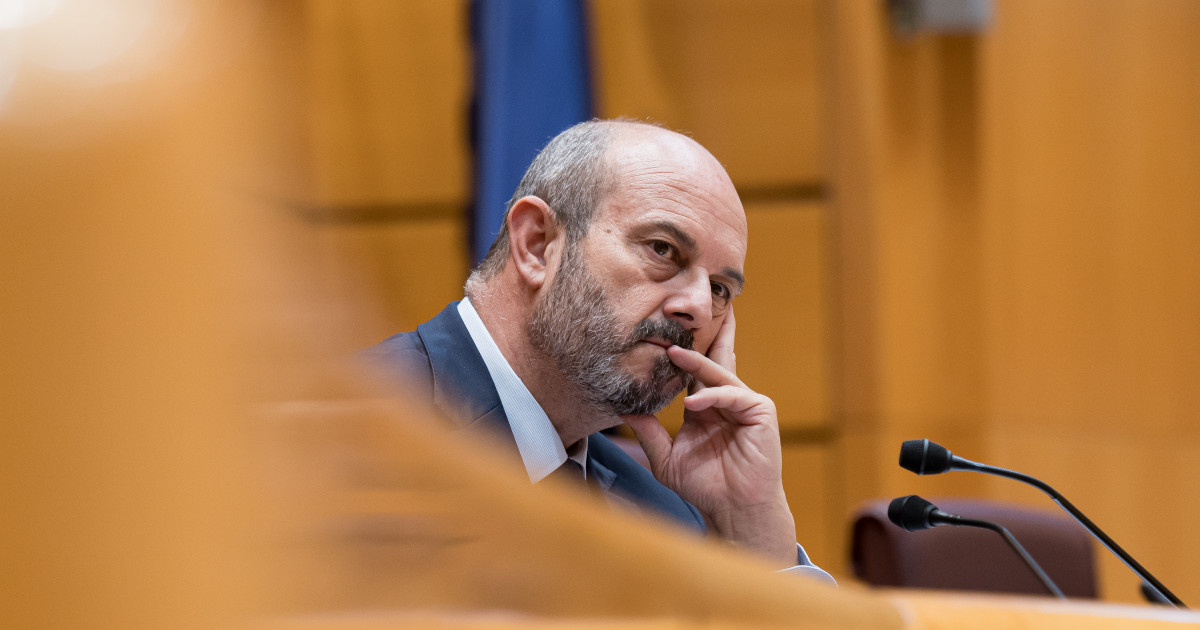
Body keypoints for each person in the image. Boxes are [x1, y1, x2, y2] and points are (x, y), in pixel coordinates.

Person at [366, 119, 832, 581]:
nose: (696, 308)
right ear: (536, 244)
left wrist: (752, 529)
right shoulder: (352, 435)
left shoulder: (669, 517)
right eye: (662, 249)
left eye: (719, 288)